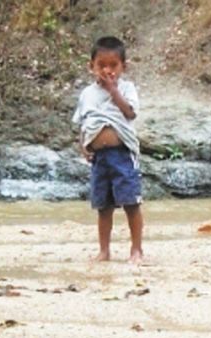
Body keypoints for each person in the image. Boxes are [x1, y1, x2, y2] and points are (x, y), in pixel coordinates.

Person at [72, 35, 143, 263]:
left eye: (113, 65)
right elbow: (84, 123)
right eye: (101, 65)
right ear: (91, 66)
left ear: (124, 66)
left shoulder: (127, 88)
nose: (107, 70)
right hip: (99, 159)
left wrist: (114, 91)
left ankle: (136, 249)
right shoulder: (87, 94)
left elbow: (130, 113)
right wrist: (84, 146)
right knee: (103, 206)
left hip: (121, 155)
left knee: (131, 203)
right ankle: (104, 251)